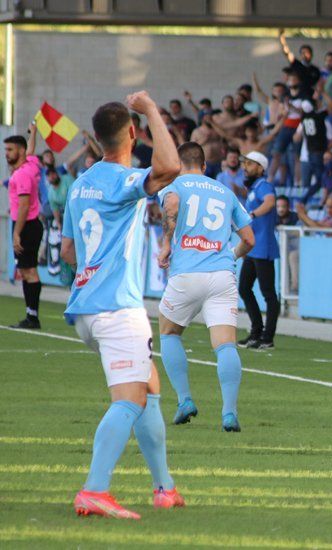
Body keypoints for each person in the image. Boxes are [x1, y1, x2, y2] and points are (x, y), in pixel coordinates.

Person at [60, 92, 184, 518]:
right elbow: (169, 168)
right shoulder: (120, 179)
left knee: (149, 389)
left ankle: (164, 487)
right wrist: (151, 109)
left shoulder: (80, 185)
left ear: (94, 140)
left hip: (87, 308)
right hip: (117, 308)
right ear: (132, 133)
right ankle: (95, 489)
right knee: (129, 400)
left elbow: (69, 253)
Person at [155, 142, 255, 433]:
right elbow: (249, 239)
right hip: (222, 275)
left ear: (179, 161)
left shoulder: (175, 184)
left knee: (169, 332)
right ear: (204, 164)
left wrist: (165, 246)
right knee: (225, 344)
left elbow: (171, 205)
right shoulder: (225, 191)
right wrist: (230, 257)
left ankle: (185, 400)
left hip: (187, 272)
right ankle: (229, 413)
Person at [237, 152, 279, 350]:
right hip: (254, 248)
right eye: (245, 163)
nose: (245, 167)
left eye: (250, 164)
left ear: (261, 168)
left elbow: (270, 202)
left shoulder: (264, 186)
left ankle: (267, 337)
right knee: (244, 288)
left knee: (268, 293)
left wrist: (252, 214)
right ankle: (256, 332)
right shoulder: (254, 188)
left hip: (263, 247)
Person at [5, 135, 43, 329]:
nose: (6, 154)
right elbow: (31, 152)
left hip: (26, 225)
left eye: (10, 149)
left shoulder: (21, 174)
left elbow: (24, 205)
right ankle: (31, 314)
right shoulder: (31, 164)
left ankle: (32, 316)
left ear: (20, 150)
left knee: (29, 271)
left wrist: (16, 233)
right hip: (30, 224)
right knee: (25, 270)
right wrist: (33, 133)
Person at [297, 99, 332, 204]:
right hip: (318, 152)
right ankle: (304, 200)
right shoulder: (319, 117)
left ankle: (322, 200)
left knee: (321, 179)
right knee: (320, 180)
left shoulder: (303, 118)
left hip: (310, 153)